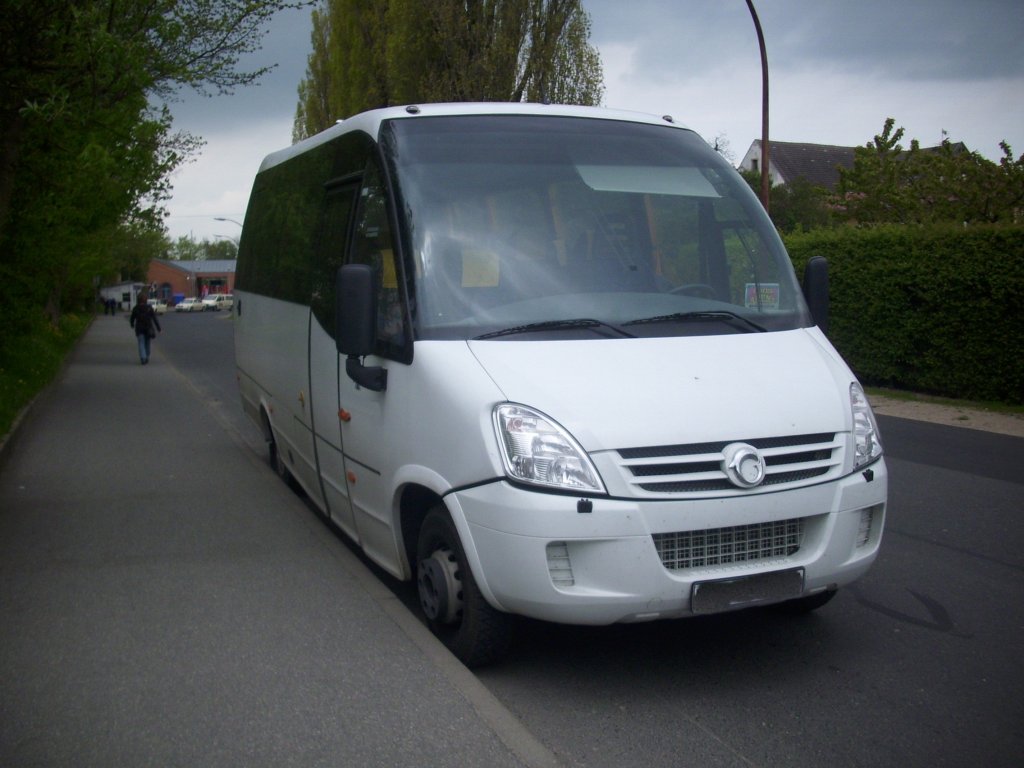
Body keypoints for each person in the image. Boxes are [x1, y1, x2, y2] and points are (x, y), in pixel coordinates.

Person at [129, 290, 161, 365]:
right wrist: (158, 328)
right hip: (148, 328)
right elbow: (154, 318)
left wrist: (132, 324)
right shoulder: (149, 308)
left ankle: (143, 357)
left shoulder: (135, 308)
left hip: (139, 328)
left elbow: (132, 318)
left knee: (141, 343)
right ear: (146, 299)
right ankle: (146, 356)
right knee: (147, 343)